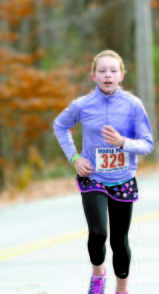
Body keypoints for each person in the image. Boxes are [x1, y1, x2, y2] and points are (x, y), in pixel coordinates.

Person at [53, 50, 153, 294]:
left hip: (123, 179)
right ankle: (98, 275)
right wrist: (75, 157)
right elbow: (60, 126)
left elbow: (147, 144)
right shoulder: (82, 105)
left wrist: (123, 142)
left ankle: (121, 288)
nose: (108, 75)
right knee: (98, 233)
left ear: (121, 76)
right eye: (102, 71)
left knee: (119, 241)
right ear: (93, 75)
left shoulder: (133, 105)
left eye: (113, 70)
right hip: (93, 178)